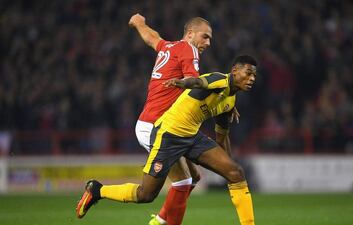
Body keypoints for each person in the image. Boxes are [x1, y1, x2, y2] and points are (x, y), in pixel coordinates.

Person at [76, 55, 257, 225]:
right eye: (248, 73)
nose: (252, 78)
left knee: (236, 172)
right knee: (146, 194)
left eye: (254, 75)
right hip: (168, 135)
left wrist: (227, 165)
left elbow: (222, 136)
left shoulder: (230, 102)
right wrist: (182, 83)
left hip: (192, 136)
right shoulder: (219, 80)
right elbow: (198, 81)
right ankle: (98, 190)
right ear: (234, 71)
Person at [76, 13, 213, 225]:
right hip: (156, 127)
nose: (208, 42)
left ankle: (157, 219)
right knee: (161, 189)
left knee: (192, 177)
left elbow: (152, 38)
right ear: (190, 34)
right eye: (205, 37)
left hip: (164, 125)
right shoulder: (188, 49)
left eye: (210, 39)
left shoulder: (169, 47)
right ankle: (99, 191)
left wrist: (139, 23)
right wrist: (218, 90)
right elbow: (193, 81)